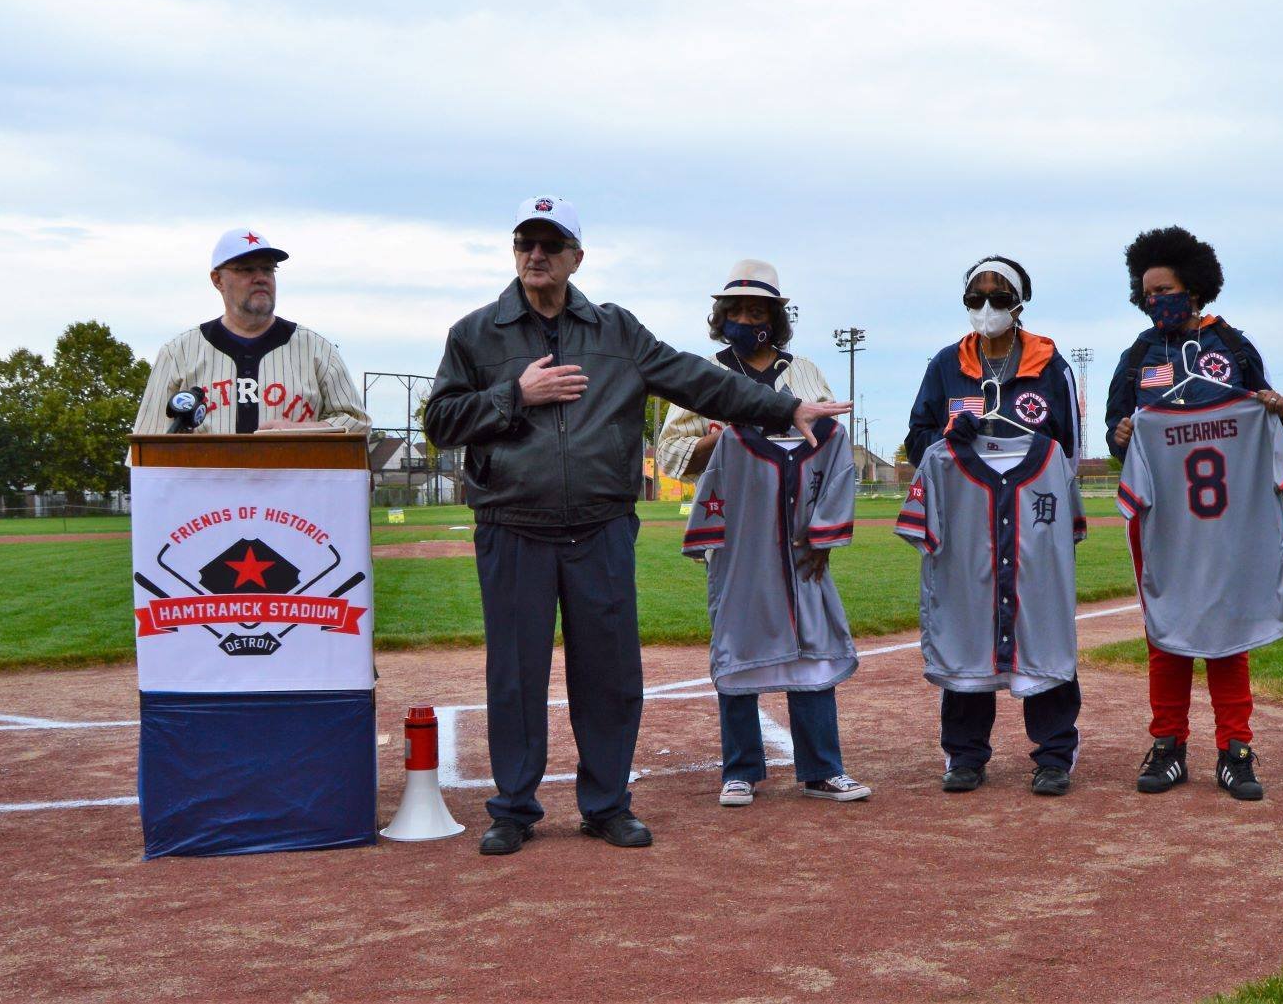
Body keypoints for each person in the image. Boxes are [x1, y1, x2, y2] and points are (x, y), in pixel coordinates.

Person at [424, 199, 852, 855]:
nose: (535, 254)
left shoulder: (616, 332)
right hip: (513, 525)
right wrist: (516, 395)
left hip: (599, 527)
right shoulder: (476, 334)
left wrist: (786, 405)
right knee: (514, 673)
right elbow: (441, 420)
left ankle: (606, 802)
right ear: (514, 252)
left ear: (576, 257)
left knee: (611, 675)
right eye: (525, 242)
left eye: (550, 243)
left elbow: (701, 381)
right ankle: (513, 808)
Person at [658, 260, 871, 808]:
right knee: (737, 638)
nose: (746, 318)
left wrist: (823, 534)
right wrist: (718, 440)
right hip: (738, 529)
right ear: (721, 316)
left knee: (813, 639)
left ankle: (822, 768)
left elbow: (833, 446)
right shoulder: (702, 375)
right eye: (737, 310)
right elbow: (671, 457)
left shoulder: (803, 372)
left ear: (775, 317)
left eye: (758, 310)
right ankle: (741, 769)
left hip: (799, 529)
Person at [1103, 226, 1283, 800]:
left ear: (1194, 288)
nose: (1154, 299)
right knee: (1166, 632)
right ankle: (1168, 746)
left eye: (1164, 288)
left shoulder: (1233, 346)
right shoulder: (1138, 356)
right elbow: (1117, 440)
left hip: (1229, 519)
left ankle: (1235, 749)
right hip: (1163, 520)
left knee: (1228, 630)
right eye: (1146, 291)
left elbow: (1271, 423)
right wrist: (1123, 435)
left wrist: (1277, 409)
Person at [904, 256, 1083, 796]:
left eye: (998, 295)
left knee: (1041, 623)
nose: (987, 306)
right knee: (966, 623)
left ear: (1020, 301)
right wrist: (949, 443)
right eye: (976, 296)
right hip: (967, 517)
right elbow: (917, 439)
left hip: (1033, 514)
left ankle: (1053, 753)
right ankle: (965, 754)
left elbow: (1069, 448)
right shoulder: (946, 365)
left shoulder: (1050, 365)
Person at [133, 228, 370, 435]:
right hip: (208, 485)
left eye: (267, 269)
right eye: (246, 270)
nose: (260, 278)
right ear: (218, 280)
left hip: (293, 485)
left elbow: (358, 425)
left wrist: (301, 431)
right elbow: (146, 447)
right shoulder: (179, 353)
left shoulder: (317, 350)